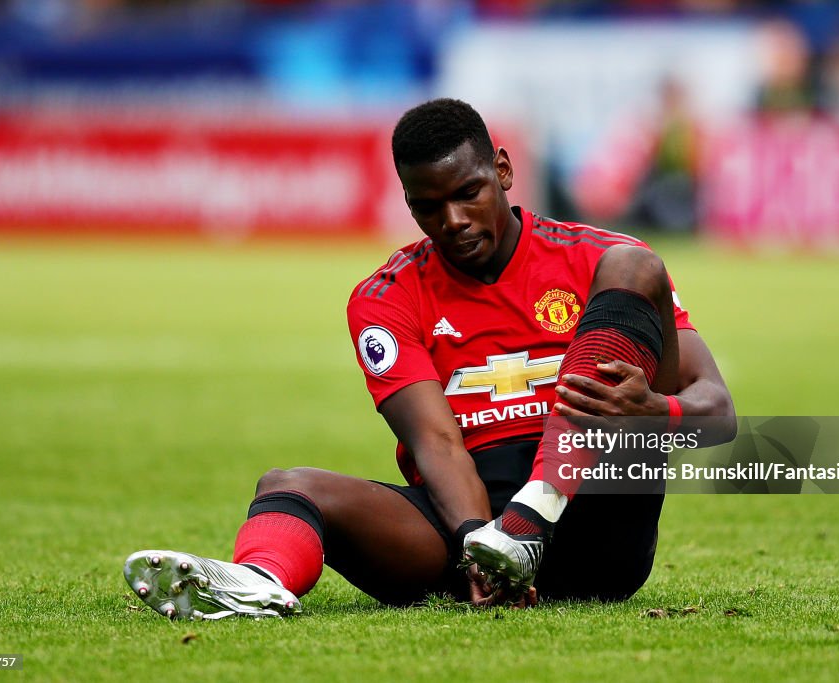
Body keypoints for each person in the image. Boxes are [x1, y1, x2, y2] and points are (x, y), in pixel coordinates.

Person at [123, 98, 735, 619]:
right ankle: (258, 583)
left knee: (637, 267)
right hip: (469, 518)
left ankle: (534, 514)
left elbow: (718, 414)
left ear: (502, 170)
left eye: (469, 193)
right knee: (287, 487)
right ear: (410, 204)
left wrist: (655, 410)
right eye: (429, 206)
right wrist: (477, 543)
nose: (455, 221)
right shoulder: (385, 296)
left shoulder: (599, 259)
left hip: (597, 514)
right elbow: (436, 444)